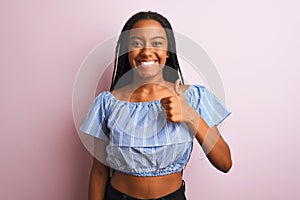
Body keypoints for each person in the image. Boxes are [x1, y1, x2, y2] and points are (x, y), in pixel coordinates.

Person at [80, 11, 232, 200]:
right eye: (136, 43)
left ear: (168, 51)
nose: (146, 51)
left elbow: (225, 163)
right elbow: (99, 172)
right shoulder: (107, 103)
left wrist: (190, 116)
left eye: (157, 43)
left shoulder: (194, 97)